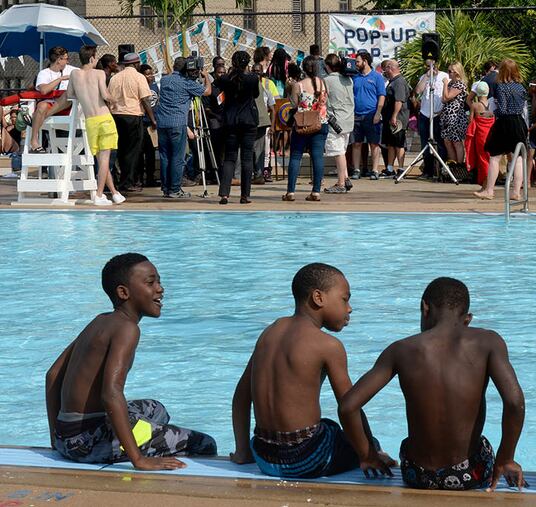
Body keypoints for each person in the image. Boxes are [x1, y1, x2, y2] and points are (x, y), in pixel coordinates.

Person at [339, 277, 526, 491]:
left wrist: (367, 455)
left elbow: (348, 406)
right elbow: (514, 402)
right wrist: (506, 458)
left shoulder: (400, 350)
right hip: (468, 475)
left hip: (417, 475)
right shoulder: (489, 342)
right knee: (482, 445)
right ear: (468, 319)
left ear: (424, 308)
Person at [45, 253, 217, 468]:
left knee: (157, 409)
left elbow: (52, 375)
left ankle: (144, 436)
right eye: (150, 282)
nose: (160, 289)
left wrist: (56, 437)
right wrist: (138, 459)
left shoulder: (100, 320)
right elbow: (111, 393)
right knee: (204, 444)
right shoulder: (128, 329)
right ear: (124, 292)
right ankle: (136, 447)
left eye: (159, 281)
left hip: (66, 436)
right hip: (88, 443)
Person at [230, 263, 394, 478]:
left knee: (328, 427)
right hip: (305, 461)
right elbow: (349, 406)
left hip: (264, 456)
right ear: (318, 298)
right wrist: (367, 454)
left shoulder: (269, 333)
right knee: (365, 441)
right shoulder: (328, 345)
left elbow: (241, 396)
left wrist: (243, 451)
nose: (349, 308)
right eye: (345, 299)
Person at [40, 45, 125, 206]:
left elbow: (70, 95)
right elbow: (105, 95)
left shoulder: (74, 74)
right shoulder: (99, 73)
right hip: (104, 118)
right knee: (105, 160)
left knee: (101, 159)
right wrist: (116, 102)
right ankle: (99, 195)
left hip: (90, 121)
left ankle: (114, 193)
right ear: (93, 58)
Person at [153, 56, 211, 198]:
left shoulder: (165, 79)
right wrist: (206, 77)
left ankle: (166, 188)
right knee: (178, 157)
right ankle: (175, 189)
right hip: (177, 123)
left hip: (162, 123)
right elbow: (207, 91)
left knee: (165, 156)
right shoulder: (187, 83)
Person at [475, 59, 528, 200]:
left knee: (495, 157)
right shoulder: (521, 87)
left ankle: (489, 190)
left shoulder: (501, 87)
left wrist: (491, 113)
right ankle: (516, 191)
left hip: (505, 123)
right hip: (519, 122)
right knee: (518, 158)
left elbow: (503, 110)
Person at [108, 53, 157, 194]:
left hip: (117, 116)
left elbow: (109, 98)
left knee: (122, 150)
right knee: (133, 151)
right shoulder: (139, 77)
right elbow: (145, 100)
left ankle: (121, 180)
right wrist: (153, 119)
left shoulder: (114, 78)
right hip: (133, 116)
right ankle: (127, 182)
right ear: (136, 64)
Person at [215, 51, 260, 205]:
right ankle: (245, 195)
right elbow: (255, 95)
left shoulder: (225, 79)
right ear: (247, 63)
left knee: (229, 158)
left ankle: (224, 194)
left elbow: (217, 90)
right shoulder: (253, 78)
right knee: (247, 158)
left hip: (230, 121)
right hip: (248, 121)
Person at [283, 56, 329, 202]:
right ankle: (316, 191)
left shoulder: (299, 85)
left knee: (296, 156)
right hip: (320, 122)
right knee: (317, 156)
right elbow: (325, 101)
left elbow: (294, 104)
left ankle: (290, 191)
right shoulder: (323, 84)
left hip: (302, 123)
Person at [27, 47, 77, 154]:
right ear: (59, 60)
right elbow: (44, 90)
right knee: (42, 106)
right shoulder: (44, 73)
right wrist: (60, 79)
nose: (67, 61)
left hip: (67, 107)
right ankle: (34, 141)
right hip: (49, 105)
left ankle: (36, 120)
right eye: (66, 59)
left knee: (68, 94)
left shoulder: (72, 70)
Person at [350, 50, 385, 180]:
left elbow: (381, 96)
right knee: (356, 143)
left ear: (365, 61)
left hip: (372, 115)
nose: (356, 64)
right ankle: (357, 169)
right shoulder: (354, 77)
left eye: (358, 61)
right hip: (356, 115)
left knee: (374, 144)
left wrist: (378, 113)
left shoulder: (377, 77)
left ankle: (375, 170)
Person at [323, 54, 356, 194]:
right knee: (342, 149)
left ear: (328, 66)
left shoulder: (327, 80)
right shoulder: (349, 79)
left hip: (335, 120)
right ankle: (346, 178)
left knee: (338, 152)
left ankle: (341, 183)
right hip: (349, 119)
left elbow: (323, 99)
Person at [414, 60, 448, 180]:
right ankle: (428, 171)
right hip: (425, 113)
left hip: (438, 113)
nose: (432, 68)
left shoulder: (444, 76)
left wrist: (442, 110)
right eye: (428, 66)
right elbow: (418, 91)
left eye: (433, 65)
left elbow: (447, 95)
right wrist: (427, 77)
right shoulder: (424, 76)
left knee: (440, 142)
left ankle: (442, 171)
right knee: (425, 143)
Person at [380, 59, 410, 178]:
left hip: (398, 119)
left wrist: (394, 116)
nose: (384, 70)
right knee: (390, 144)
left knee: (399, 144)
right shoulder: (392, 82)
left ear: (391, 68)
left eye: (386, 68)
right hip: (389, 118)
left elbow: (399, 100)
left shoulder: (399, 82)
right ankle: (390, 168)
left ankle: (401, 168)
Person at [464, 81, 495, 187]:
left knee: (482, 158)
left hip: (480, 136)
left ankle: (485, 182)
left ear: (477, 92)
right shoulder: (493, 104)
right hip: (491, 135)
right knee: (491, 158)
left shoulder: (475, 106)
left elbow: (470, 121)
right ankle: (491, 180)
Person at [440, 62, 468, 167]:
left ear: (457, 73)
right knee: (447, 141)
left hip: (456, 117)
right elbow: (443, 99)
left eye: (450, 71)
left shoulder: (459, 84)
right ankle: (452, 164)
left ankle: (459, 165)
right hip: (447, 116)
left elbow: (447, 97)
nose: (448, 74)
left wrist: (445, 84)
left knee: (456, 142)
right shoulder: (451, 83)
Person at [251, 62, 275, 185]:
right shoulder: (248, 84)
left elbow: (273, 108)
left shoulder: (266, 86)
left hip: (262, 122)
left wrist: (272, 125)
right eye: (254, 71)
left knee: (262, 150)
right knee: (252, 149)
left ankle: (261, 173)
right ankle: (255, 173)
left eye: (258, 71)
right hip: (250, 121)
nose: (256, 73)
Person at [138, 65, 160, 188]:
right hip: (144, 122)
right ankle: (140, 177)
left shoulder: (154, 86)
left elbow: (157, 101)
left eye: (152, 74)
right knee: (141, 152)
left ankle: (150, 177)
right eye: (147, 74)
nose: (150, 76)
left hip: (153, 124)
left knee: (151, 152)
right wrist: (152, 120)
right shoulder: (141, 86)